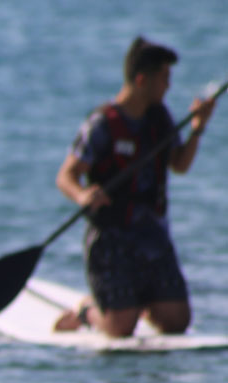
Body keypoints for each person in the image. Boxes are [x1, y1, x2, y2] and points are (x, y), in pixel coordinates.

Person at [53, 37, 216, 337]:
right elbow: (66, 176)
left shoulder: (160, 119)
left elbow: (179, 164)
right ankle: (87, 312)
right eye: (164, 78)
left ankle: (139, 300)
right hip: (111, 239)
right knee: (120, 330)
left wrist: (198, 129)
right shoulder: (102, 124)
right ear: (142, 80)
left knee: (177, 322)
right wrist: (83, 194)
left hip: (152, 235)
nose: (169, 87)